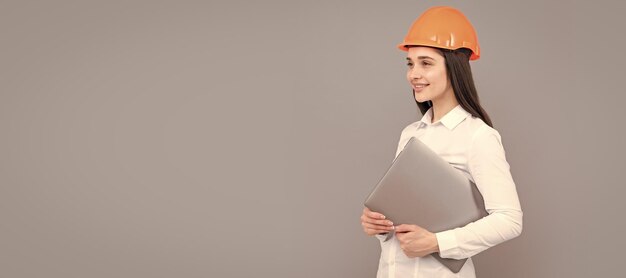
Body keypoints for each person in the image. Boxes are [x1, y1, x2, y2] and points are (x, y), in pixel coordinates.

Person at [360, 6, 523, 278]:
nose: (413, 74)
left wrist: (437, 243)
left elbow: (510, 220)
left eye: (426, 63)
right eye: (410, 63)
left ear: (455, 67)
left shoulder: (478, 135)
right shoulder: (411, 133)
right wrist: (378, 226)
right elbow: (405, 217)